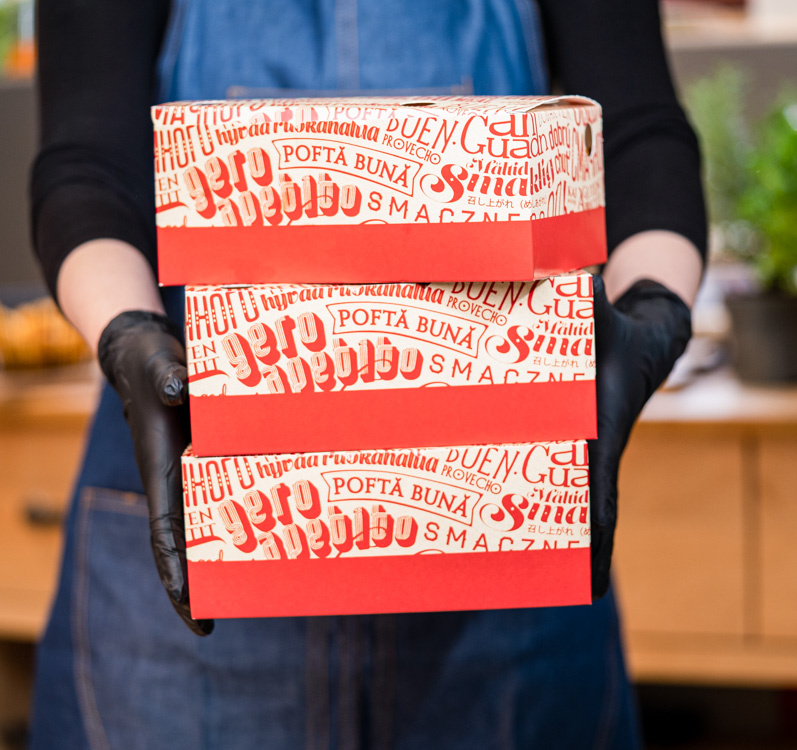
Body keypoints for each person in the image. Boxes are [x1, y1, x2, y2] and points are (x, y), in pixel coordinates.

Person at [29, 0, 706, 747]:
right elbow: (86, 161)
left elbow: (640, 134)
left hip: (501, 533)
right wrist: (126, 330)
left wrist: (653, 309)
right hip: (200, 517)